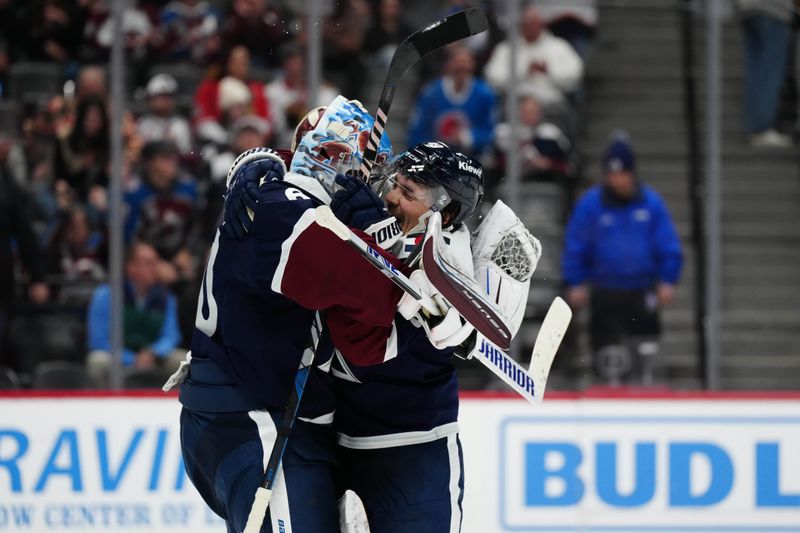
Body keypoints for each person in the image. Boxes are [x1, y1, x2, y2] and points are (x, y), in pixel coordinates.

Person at [171, 96, 420, 533]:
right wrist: (383, 249)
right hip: (253, 424)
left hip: (229, 413)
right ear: (332, 157)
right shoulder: (294, 214)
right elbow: (377, 299)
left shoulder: (276, 193)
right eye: (361, 165)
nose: (372, 183)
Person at [562, 131, 683, 386]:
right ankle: (607, 396)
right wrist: (575, 281)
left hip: (642, 291)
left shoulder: (650, 203)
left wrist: (668, 279)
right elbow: (576, 244)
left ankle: (647, 394)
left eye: (621, 174)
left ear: (631, 173)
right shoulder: (591, 204)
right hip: (605, 292)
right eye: (611, 174)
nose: (616, 180)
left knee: (646, 351)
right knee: (607, 356)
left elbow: (668, 243)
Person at [86, 241, 183, 388]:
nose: (155, 268)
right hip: (118, 358)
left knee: (183, 362)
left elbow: (171, 335)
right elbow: (99, 340)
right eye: (148, 263)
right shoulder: (106, 295)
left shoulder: (166, 297)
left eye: (156, 262)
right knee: (98, 361)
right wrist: (131, 358)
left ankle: (178, 407)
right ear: (131, 268)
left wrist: (153, 352)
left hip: (153, 357)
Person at [484, 5, 583, 116]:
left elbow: (575, 76)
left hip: (550, 107)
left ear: (542, 24)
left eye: (534, 23)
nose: (531, 27)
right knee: (502, 131)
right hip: (515, 107)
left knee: (550, 132)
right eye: (527, 23)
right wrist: (524, 70)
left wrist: (549, 70)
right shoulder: (506, 49)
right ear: (521, 25)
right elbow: (493, 79)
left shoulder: (559, 46)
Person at [407, 45, 497, 160]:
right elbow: (417, 131)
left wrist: (466, 137)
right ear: (449, 64)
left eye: (466, 63)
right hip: (435, 160)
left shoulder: (484, 94)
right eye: (458, 63)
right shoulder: (431, 92)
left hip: (472, 159)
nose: (462, 67)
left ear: (473, 65)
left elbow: (490, 132)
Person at [737, 0, 793, 148]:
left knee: (756, 69)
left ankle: (754, 125)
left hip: (747, 7)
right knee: (769, 70)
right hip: (774, 8)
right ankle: (760, 126)